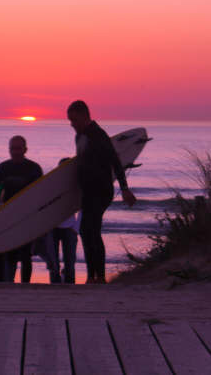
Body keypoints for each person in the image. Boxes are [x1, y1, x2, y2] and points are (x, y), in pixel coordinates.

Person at [66, 100, 136, 284]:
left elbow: (116, 162)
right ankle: (94, 276)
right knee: (88, 231)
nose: (71, 124)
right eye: (70, 120)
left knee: (90, 230)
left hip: (101, 191)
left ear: (83, 116)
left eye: (73, 120)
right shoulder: (79, 137)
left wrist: (125, 189)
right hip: (87, 192)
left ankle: (97, 277)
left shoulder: (98, 135)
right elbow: (81, 163)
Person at [0, 135, 43, 282]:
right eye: (13, 148)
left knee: (25, 255)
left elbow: (41, 195)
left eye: (18, 148)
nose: (16, 152)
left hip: (26, 217)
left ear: (25, 149)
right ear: (9, 150)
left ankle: (25, 286)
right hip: (6, 217)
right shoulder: (3, 167)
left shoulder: (34, 168)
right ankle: (1, 284)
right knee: (0, 251)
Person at [53, 158, 80, 284]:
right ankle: (54, 286)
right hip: (51, 227)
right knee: (53, 263)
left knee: (70, 263)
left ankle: (70, 286)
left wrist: (76, 228)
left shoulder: (76, 184)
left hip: (69, 227)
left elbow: (82, 206)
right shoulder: (51, 185)